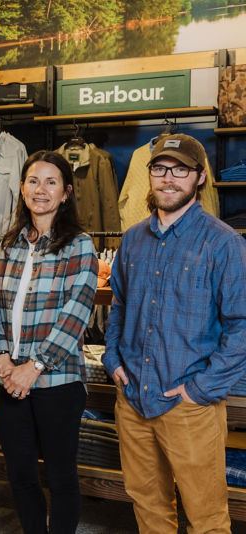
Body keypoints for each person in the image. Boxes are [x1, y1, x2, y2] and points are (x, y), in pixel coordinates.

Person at [103, 133, 246, 534]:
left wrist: (200, 389)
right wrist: (112, 361)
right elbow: (121, 308)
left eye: (180, 169)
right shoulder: (131, 240)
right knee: (148, 507)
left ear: (200, 178)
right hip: (132, 399)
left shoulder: (224, 243)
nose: (168, 178)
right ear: (149, 175)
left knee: (207, 518)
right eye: (160, 168)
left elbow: (241, 326)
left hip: (190, 406)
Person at [0, 150, 99, 534]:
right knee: (19, 475)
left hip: (57, 381)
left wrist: (33, 367)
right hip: (9, 379)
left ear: (66, 193)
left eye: (51, 182)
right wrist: (2, 360)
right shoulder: (8, 246)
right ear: (22, 188)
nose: (41, 189)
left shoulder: (80, 245)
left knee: (60, 476)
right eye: (33, 181)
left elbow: (76, 314)